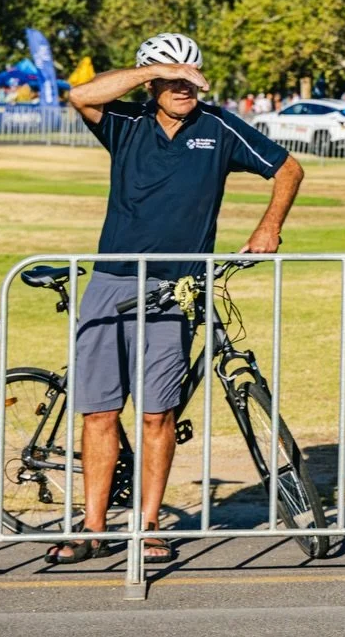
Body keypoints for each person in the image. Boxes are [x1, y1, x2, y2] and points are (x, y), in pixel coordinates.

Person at [54, 32, 305, 564]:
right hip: (111, 281)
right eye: (172, 79)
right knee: (99, 413)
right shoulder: (125, 121)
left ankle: (147, 528)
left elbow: (288, 168)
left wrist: (269, 227)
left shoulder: (217, 127)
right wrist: (157, 70)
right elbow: (79, 95)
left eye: (192, 76)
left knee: (157, 415)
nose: (184, 87)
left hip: (175, 290)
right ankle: (92, 528)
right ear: (151, 82)